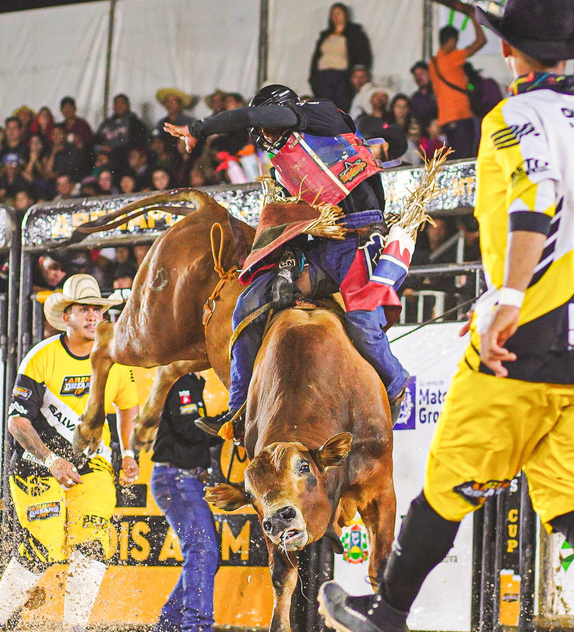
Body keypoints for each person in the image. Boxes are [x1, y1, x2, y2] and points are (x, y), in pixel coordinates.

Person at [317, 0, 574, 632]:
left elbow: (535, 202)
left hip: (529, 335)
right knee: (572, 489)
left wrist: (509, 301)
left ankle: (388, 615)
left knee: (449, 479)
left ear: (508, 49)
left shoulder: (513, 119)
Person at [165, 84, 412, 437]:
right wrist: (287, 264)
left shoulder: (322, 115)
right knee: (247, 306)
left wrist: (200, 128)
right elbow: (291, 224)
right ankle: (239, 408)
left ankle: (396, 382)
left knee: (362, 322)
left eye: (269, 126)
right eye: (263, 132)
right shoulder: (284, 168)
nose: (267, 135)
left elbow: (255, 114)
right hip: (322, 248)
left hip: (362, 239)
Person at [0, 274, 139, 632]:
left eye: (97, 309)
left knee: (93, 541)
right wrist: (52, 460)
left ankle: (75, 630)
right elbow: (17, 422)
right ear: (65, 316)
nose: (93, 316)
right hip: (36, 465)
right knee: (43, 544)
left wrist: (129, 452)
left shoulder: (115, 357)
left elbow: (127, 404)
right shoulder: (42, 357)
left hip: (92, 463)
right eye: (84, 309)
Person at [149, 372, 224, 632]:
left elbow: (194, 430)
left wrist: (226, 426)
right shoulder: (182, 381)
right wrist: (227, 424)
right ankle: (196, 629)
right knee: (203, 549)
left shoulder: (191, 383)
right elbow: (188, 428)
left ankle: (168, 628)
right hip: (178, 477)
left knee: (206, 553)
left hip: (180, 478)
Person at [430, 20, 487, 159]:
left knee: (457, 156)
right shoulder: (453, 57)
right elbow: (481, 41)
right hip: (460, 115)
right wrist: (473, 17)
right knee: (465, 157)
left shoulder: (434, 62)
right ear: (452, 40)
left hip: (446, 119)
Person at [309, 3, 373, 112]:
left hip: (342, 75)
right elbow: (316, 57)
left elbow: (363, 54)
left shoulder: (354, 33)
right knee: (325, 108)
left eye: (339, 13)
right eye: (333, 14)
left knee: (341, 107)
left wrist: (358, 74)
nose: (336, 16)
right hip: (323, 75)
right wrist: (313, 78)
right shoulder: (325, 35)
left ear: (345, 15)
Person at [408, 60, 437, 128]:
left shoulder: (438, 93)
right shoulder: (415, 98)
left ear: (429, 73)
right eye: (416, 75)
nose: (419, 78)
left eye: (421, 74)